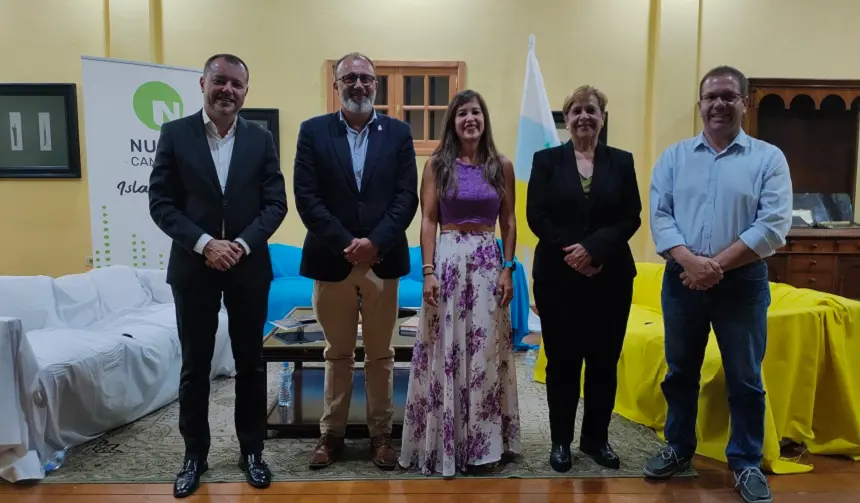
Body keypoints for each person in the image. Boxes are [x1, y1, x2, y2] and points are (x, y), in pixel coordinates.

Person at [644, 65, 792, 503]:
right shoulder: (674, 157)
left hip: (742, 283)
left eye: (729, 96)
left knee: (745, 377)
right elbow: (660, 216)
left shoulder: (768, 158)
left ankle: (745, 463)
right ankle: (678, 448)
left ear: (744, 102)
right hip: (682, 280)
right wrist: (691, 263)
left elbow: (773, 225)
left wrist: (715, 267)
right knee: (680, 371)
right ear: (700, 104)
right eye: (711, 97)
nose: (719, 104)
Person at [148, 53, 287, 497]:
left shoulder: (260, 139)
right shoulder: (175, 134)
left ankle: (251, 451)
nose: (228, 90)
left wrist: (240, 245)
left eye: (237, 85)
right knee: (194, 367)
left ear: (247, 91)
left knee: (251, 363)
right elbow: (161, 203)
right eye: (220, 81)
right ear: (203, 83)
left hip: (248, 268)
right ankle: (195, 454)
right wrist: (207, 243)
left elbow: (275, 204)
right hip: (194, 267)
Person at [293, 51, 419, 471]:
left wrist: (375, 243)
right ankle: (331, 436)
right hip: (333, 261)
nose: (359, 85)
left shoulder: (399, 133)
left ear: (376, 86)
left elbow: (406, 198)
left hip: (382, 261)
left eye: (366, 78)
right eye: (350, 78)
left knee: (381, 354)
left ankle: (381, 436)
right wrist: (348, 243)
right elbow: (306, 198)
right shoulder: (313, 132)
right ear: (337, 84)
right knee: (337, 353)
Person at [398, 89, 521, 477]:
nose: (471, 119)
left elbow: (510, 221)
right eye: (463, 113)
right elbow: (429, 220)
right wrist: (429, 271)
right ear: (452, 121)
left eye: (477, 113)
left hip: (487, 262)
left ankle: (485, 447)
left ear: (485, 120)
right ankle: (444, 442)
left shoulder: (501, 165)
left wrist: (508, 267)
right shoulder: (437, 165)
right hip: (449, 261)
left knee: (485, 352)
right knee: (446, 350)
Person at [526, 85, 642, 473]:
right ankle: (561, 441)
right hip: (559, 278)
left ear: (602, 117)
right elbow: (537, 217)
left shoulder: (622, 162)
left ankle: (595, 439)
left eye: (591, 110)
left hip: (610, 277)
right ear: (567, 118)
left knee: (603, 362)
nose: (583, 117)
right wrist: (576, 253)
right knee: (562, 362)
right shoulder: (546, 161)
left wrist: (595, 250)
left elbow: (631, 216)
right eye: (576, 110)